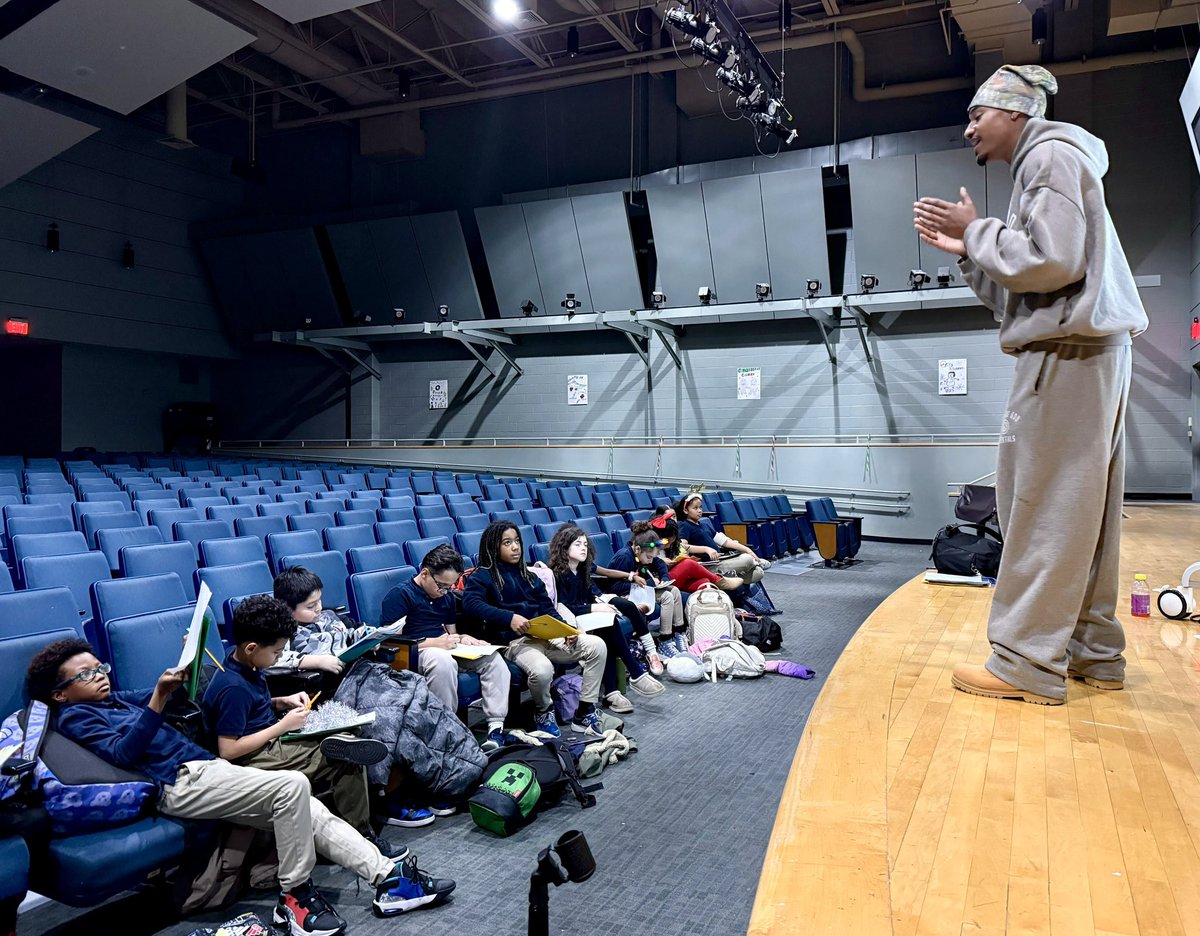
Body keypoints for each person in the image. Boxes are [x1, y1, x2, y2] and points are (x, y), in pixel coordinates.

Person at [913, 64, 1147, 705]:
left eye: (976, 116)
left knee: (1039, 507)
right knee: (1083, 512)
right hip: (1087, 351)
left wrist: (977, 231)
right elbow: (1026, 289)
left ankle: (1024, 663)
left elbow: (1050, 260)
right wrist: (969, 251)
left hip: (1065, 357)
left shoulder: (1049, 157)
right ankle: (1091, 652)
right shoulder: (1054, 164)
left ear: (1015, 113)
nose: (968, 130)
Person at [27, 638, 455, 936]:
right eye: (85, 674)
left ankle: (388, 879)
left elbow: (172, 697)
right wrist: (157, 699)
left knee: (309, 808)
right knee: (291, 786)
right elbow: (122, 753)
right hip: (178, 783)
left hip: (205, 769)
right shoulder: (76, 718)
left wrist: (183, 674)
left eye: (99, 667)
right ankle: (295, 899)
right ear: (60, 695)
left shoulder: (110, 698)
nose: (99, 676)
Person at [202, 595, 401, 852]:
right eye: (276, 652)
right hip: (253, 757)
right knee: (345, 759)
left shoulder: (245, 663)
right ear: (251, 647)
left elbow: (250, 710)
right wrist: (282, 727)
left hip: (271, 738)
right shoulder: (233, 687)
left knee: (347, 739)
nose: (280, 656)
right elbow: (228, 750)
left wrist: (280, 701)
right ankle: (360, 840)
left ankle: (348, 831)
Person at [461, 522, 607, 738]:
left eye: (517, 541)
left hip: (547, 636)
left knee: (597, 646)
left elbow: (548, 608)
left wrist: (566, 630)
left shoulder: (530, 575)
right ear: (493, 547)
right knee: (542, 670)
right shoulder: (482, 576)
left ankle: (585, 710)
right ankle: (543, 711)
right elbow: (471, 604)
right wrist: (509, 617)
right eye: (507, 543)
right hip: (515, 642)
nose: (515, 547)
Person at [379, 545, 515, 750]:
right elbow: (391, 642)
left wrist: (464, 639)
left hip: (445, 646)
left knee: (492, 659)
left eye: (449, 587)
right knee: (442, 661)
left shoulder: (447, 597)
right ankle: (447, 731)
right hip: (416, 651)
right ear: (425, 573)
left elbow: (451, 633)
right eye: (441, 586)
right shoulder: (400, 595)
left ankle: (495, 728)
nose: (444, 592)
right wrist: (435, 643)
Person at [546, 524, 665, 712]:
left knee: (607, 627)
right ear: (564, 548)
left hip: (588, 614)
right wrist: (596, 607)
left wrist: (601, 604)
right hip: (569, 620)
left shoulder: (583, 568)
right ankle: (634, 674)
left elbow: (591, 594)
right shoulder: (557, 574)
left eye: (585, 544)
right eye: (578, 545)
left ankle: (612, 693)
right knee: (607, 624)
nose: (584, 548)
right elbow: (564, 607)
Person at [607, 520, 689, 659]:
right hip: (622, 597)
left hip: (638, 592)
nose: (651, 561)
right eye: (649, 557)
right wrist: (650, 583)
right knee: (667, 596)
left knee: (673, 590)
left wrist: (664, 577)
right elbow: (613, 587)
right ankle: (665, 640)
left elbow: (659, 563)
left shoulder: (643, 553)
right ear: (638, 549)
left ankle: (678, 633)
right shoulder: (624, 557)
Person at [675, 493, 766, 584]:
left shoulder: (704, 525)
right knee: (748, 560)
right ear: (686, 510)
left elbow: (724, 542)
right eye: (695, 508)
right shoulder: (684, 525)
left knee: (759, 572)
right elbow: (682, 546)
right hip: (708, 566)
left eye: (700, 507)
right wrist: (706, 549)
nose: (699, 511)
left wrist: (748, 550)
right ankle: (725, 577)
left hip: (720, 560)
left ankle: (729, 578)